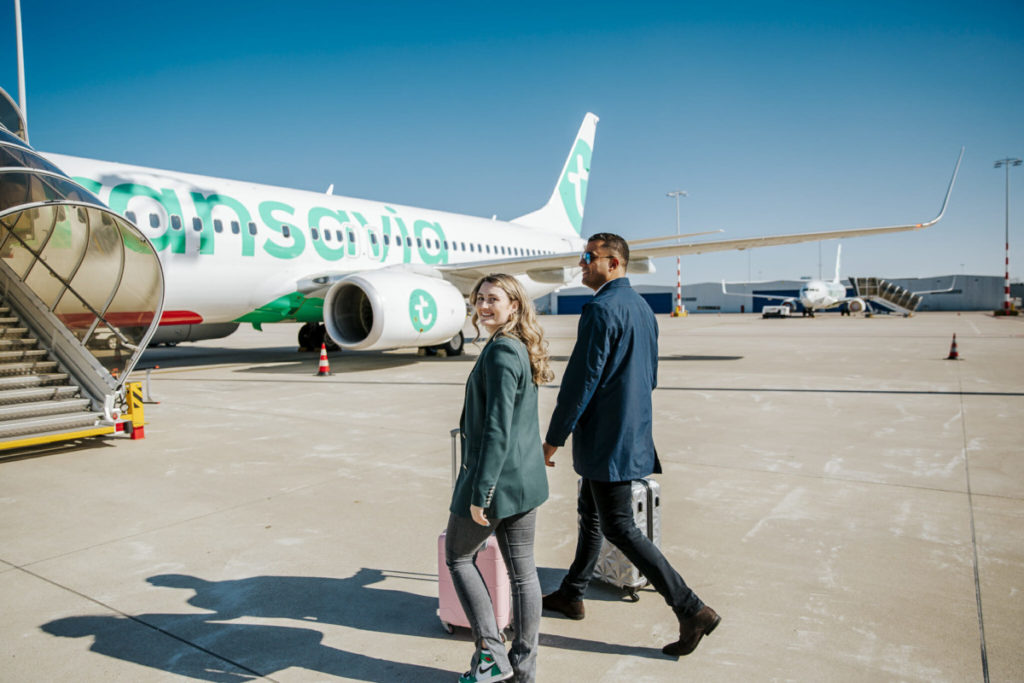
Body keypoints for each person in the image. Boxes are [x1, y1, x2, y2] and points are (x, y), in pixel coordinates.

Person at [541, 233, 721, 658]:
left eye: (588, 257)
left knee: (619, 526)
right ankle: (572, 592)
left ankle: (691, 608)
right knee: (592, 513)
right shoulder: (643, 309)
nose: (581, 264)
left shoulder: (601, 309)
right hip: (632, 432)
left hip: (608, 440)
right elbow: (651, 376)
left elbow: (580, 383)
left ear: (614, 263)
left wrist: (553, 439)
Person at [446, 273, 554, 683]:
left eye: (494, 299)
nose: (484, 305)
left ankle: (492, 656)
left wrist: (481, 490)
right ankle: (522, 669)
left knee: (458, 557)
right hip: (525, 482)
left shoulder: (501, 353)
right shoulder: (515, 346)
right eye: (480, 298)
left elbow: (496, 429)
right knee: (523, 574)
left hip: (497, 482)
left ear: (514, 305)